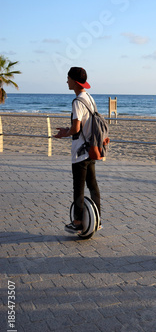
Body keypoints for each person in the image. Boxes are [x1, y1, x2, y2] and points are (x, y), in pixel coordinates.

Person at [54, 67, 101, 234]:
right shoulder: (89, 97)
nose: (67, 81)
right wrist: (70, 129)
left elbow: (76, 128)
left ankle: (78, 222)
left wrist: (65, 133)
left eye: (68, 78)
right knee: (93, 185)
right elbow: (88, 124)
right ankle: (98, 219)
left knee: (79, 187)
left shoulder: (77, 102)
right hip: (91, 148)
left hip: (80, 152)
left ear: (74, 81)